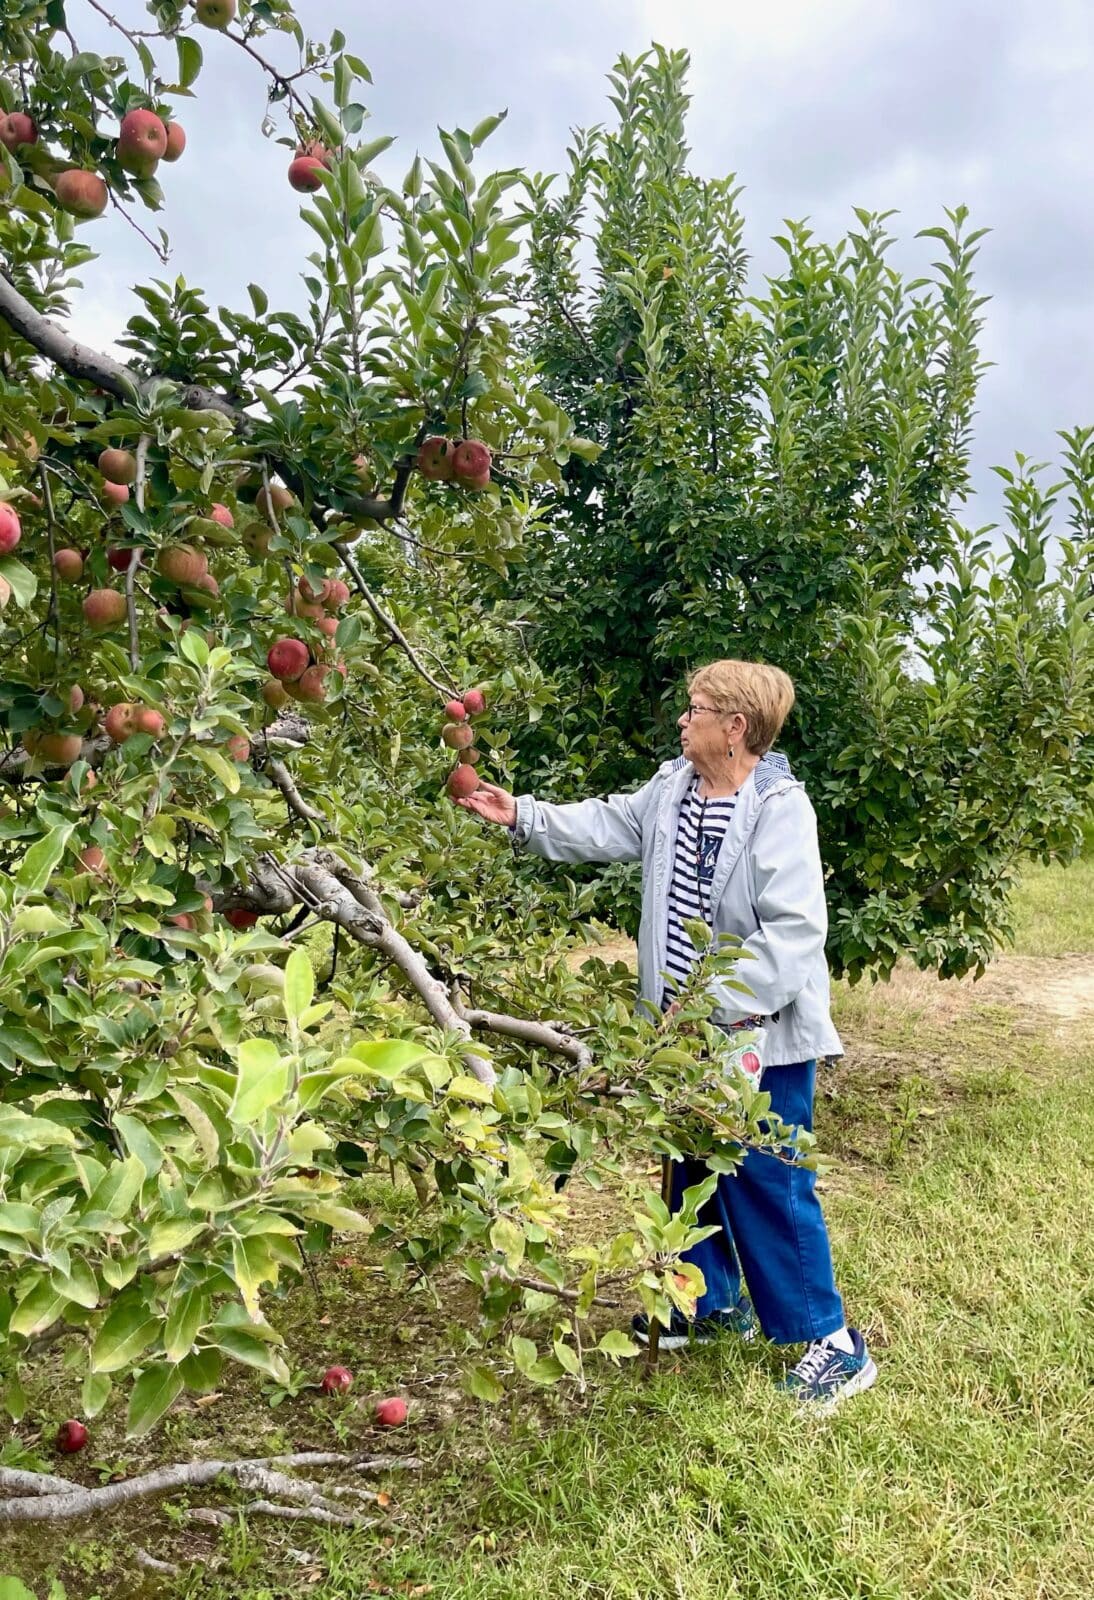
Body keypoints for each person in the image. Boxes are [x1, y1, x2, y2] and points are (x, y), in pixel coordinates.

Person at [458, 659, 877, 1409]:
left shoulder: (780, 809)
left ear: (735, 727)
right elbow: (607, 823)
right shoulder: (673, 791)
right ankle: (709, 1303)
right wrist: (522, 814)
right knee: (692, 1166)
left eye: (695, 709)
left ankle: (831, 1341)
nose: (682, 721)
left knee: (770, 1180)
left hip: (758, 1033)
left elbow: (795, 932)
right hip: (679, 1039)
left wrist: (717, 1005)